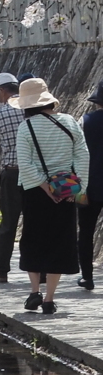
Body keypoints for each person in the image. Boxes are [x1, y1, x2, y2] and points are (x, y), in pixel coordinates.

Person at [15, 77, 89, 315]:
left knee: (33, 240)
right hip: (66, 191)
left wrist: (46, 188)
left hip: (35, 193)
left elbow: (25, 165)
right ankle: (49, 299)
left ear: (27, 104)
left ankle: (35, 291)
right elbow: (83, 156)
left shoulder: (26, 127)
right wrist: (76, 189)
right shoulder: (68, 121)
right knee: (60, 241)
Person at [0, 72, 23, 283]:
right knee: (35, 222)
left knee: (8, 223)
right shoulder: (34, 109)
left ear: (1, 91)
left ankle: (0, 269)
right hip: (36, 175)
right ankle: (40, 271)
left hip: (12, 172)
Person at [78, 81, 103, 290]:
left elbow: (77, 154)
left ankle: (87, 276)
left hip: (91, 185)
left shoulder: (85, 121)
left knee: (86, 232)